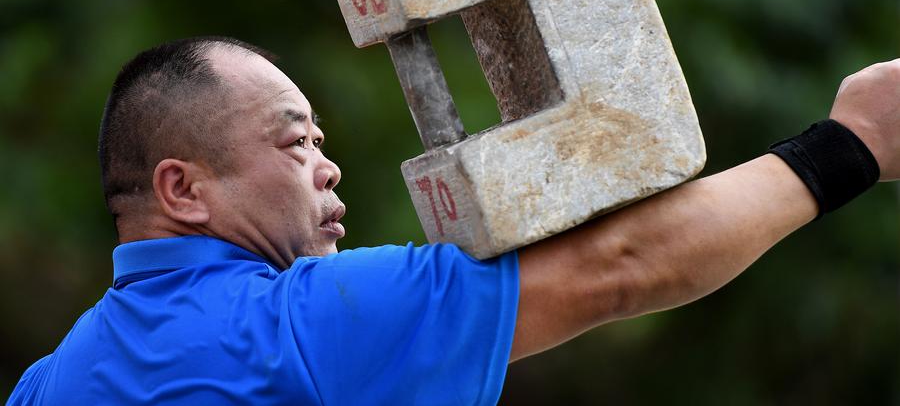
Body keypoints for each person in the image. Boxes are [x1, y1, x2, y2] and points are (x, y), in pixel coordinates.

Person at [7, 36, 899, 405]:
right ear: (182, 189)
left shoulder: (48, 385)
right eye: (296, 142)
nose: (326, 165)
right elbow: (623, 263)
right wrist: (852, 144)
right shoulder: (299, 326)